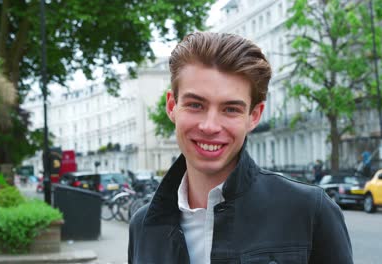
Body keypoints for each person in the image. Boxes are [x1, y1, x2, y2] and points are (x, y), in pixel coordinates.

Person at [128, 32, 353, 264]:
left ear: (253, 116)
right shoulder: (143, 226)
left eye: (231, 109)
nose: (210, 126)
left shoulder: (310, 211)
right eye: (195, 105)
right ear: (172, 106)